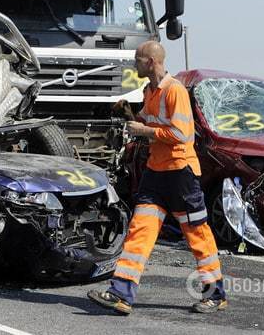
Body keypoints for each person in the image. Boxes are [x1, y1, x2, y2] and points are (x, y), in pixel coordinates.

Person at [88, 40, 227, 315]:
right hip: (156, 172)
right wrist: (129, 114)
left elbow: (181, 135)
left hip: (180, 173)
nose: (134, 64)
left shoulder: (174, 91)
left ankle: (215, 294)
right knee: (140, 230)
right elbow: (149, 122)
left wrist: (143, 131)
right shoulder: (149, 90)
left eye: (138, 59)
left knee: (197, 234)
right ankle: (121, 294)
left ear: (151, 62)